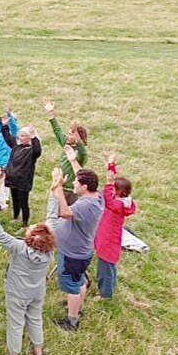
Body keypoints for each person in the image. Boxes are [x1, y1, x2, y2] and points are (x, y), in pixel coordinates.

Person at [0, 192, 55, 355]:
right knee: (35, 319)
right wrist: (53, 192)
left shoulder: (19, 248)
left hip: (17, 293)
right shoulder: (49, 251)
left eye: (31, 228)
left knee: (16, 323)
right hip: (37, 292)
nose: (29, 226)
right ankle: (39, 352)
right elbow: (52, 218)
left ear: (30, 239)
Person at [48, 146, 104, 331]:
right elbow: (83, 175)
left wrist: (59, 188)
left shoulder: (85, 206)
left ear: (84, 187)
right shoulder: (97, 196)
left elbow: (64, 212)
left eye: (76, 183)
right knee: (79, 280)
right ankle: (77, 307)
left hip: (72, 254)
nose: (74, 184)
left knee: (71, 286)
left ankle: (72, 321)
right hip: (81, 251)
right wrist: (73, 160)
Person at [94, 152, 137, 299]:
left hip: (108, 241)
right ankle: (109, 289)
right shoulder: (121, 201)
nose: (111, 189)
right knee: (109, 266)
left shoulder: (118, 204)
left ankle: (105, 295)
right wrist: (111, 164)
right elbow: (111, 186)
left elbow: (109, 200)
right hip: (107, 239)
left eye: (114, 188)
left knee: (104, 269)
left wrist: (108, 183)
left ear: (120, 191)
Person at [44, 100, 88, 205]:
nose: (68, 136)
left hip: (71, 190)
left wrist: (77, 139)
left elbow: (82, 149)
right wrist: (50, 113)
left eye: (71, 134)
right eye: (68, 133)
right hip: (60, 185)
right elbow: (57, 130)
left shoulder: (81, 153)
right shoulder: (66, 144)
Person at [2, 123, 42, 229]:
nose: (20, 137)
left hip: (23, 180)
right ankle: (15, 217)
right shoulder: (16, 146)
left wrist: (34, 137)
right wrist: (5, 125)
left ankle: (25, 224)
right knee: (15, 199)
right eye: (20, 135)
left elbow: (38, 151)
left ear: (29, 138)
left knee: (23, 202)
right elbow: (7, 138)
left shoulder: (31, 151)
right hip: (13, 179)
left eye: (23, 135)